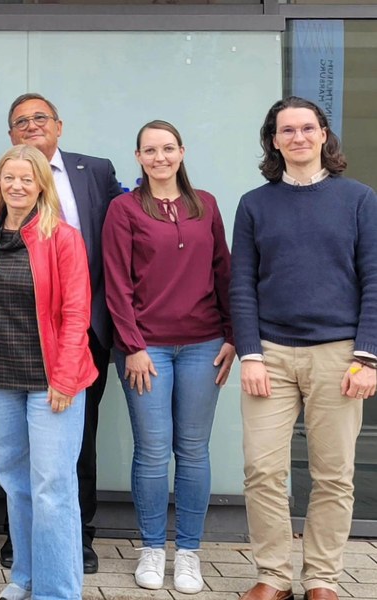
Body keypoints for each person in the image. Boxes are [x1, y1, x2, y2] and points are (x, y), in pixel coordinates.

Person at [231, 97, 377, 600]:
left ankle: (322, 579)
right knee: (262, 469)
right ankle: (273, 574)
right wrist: (249, 352)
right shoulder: (254, 204)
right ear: (274, 140)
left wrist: (367, 355)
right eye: (286, 130)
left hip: (339, 354)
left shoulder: (359, 199)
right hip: (269, 352)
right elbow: (242, 284)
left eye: (306, 128)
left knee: (333, 474)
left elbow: (375, 279)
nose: (298, 137)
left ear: (323, 135)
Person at [102, 120, 235, 595]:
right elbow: (115, 281)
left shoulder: (207, 205)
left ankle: (191, 553)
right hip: (147, 349)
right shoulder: (123, 209)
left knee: (194, 451)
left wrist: (233, 335)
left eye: (168, 148)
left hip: (204, 344)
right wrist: (133, 346)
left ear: (182, 151)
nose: (160, 157)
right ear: (137, 157)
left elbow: (224, 270)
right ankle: (153, 548)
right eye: (150, 150)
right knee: (155, 451)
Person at [0, 144, 96, 600]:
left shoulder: (63, 237)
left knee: (52, 488)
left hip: (51, 383)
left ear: (41, 184)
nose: (16, 186)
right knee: (15, 484)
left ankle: (58, 592)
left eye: (26, 178)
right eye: (8, 178)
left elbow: (78, 314)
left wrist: (64, 377)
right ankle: (25, 576)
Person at [0, 93, 121, 573]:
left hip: (85, 328)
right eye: (20, 122)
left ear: (59, 126)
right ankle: (21, 540)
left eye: (39, 118)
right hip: (18, 337)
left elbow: (118, 247)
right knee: (18, 449)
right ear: (10, 135)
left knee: (77, 438)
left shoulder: (98, 172)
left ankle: (78, 536)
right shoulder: (0, 184)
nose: (31, 126)